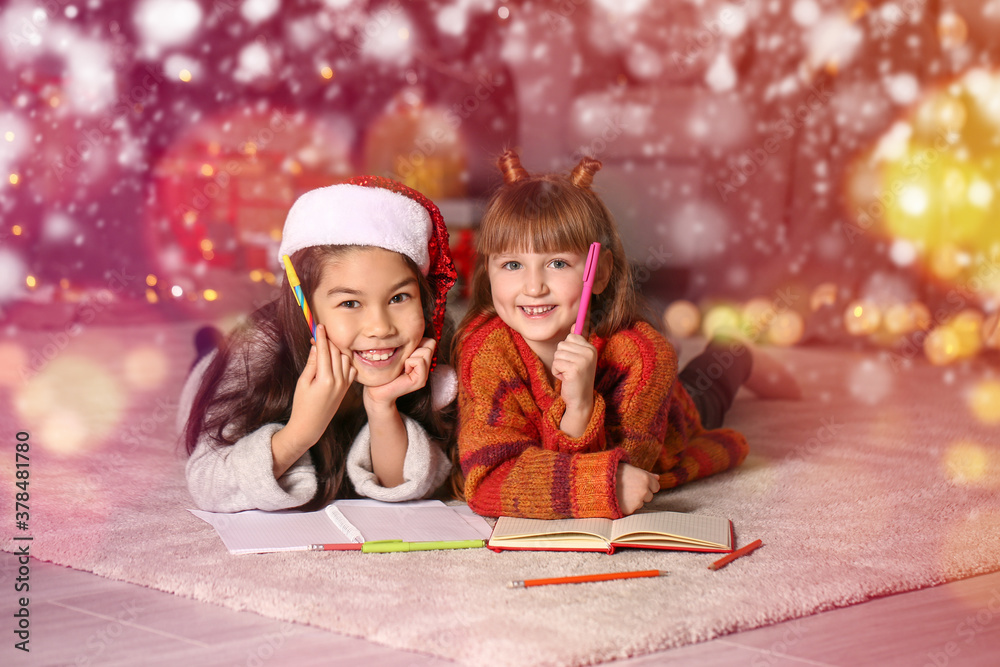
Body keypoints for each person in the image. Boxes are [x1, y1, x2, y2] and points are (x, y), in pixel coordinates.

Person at [454, 150, 798, 520]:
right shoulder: (483, 348)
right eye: (512, 264)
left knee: (706, 390)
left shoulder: (644, 357)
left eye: (557, 263)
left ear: (598, 273)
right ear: (488, 272)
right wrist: (595, 470)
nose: (534, 287)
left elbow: (630, 471)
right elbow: (487, 478)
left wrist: (581, 403)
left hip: (668, 419)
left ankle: (735, 352)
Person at [179, 176, 459, 513]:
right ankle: (204, 348)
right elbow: (208, 482)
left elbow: (407, 482)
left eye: (399, 297)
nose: (381, 327)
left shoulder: (432, 346)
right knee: (207, 355)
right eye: (350, 303)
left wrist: (382, 405)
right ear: (306, 308)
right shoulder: (256, 351)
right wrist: (300, 431)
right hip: (218, 369)